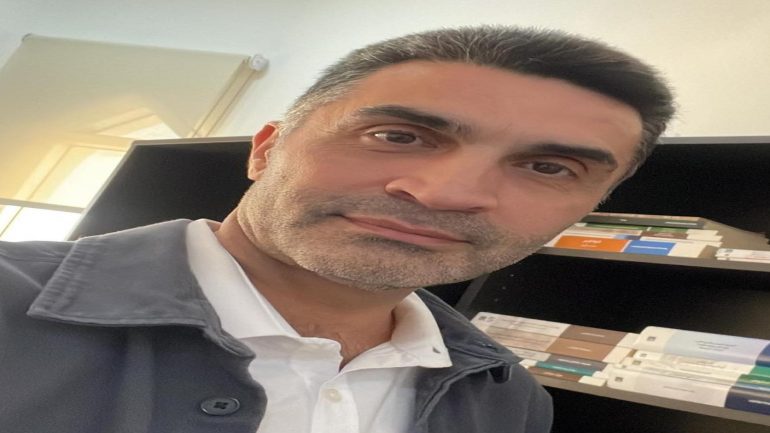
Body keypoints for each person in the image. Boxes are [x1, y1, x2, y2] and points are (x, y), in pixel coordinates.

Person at [0, 26, 674, 433]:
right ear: (267, 148)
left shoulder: (507, 400)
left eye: (549, 167)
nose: (449, 193)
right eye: (398, 135)